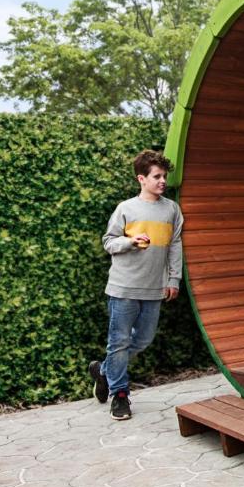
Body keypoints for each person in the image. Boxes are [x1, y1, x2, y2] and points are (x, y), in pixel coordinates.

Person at [89, 150, 183, 420]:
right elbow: (109, 242)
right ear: (141, 179)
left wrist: (173, 279)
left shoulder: (171, 209)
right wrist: (129, 241)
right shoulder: (126, 208)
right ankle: (119, 394)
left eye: (164, 176)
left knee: (142, 339)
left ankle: (103, 371)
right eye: (157, 176)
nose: (162, 181)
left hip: (155, 288)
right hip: (123, 287)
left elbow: (175, 246)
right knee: (119, 342)